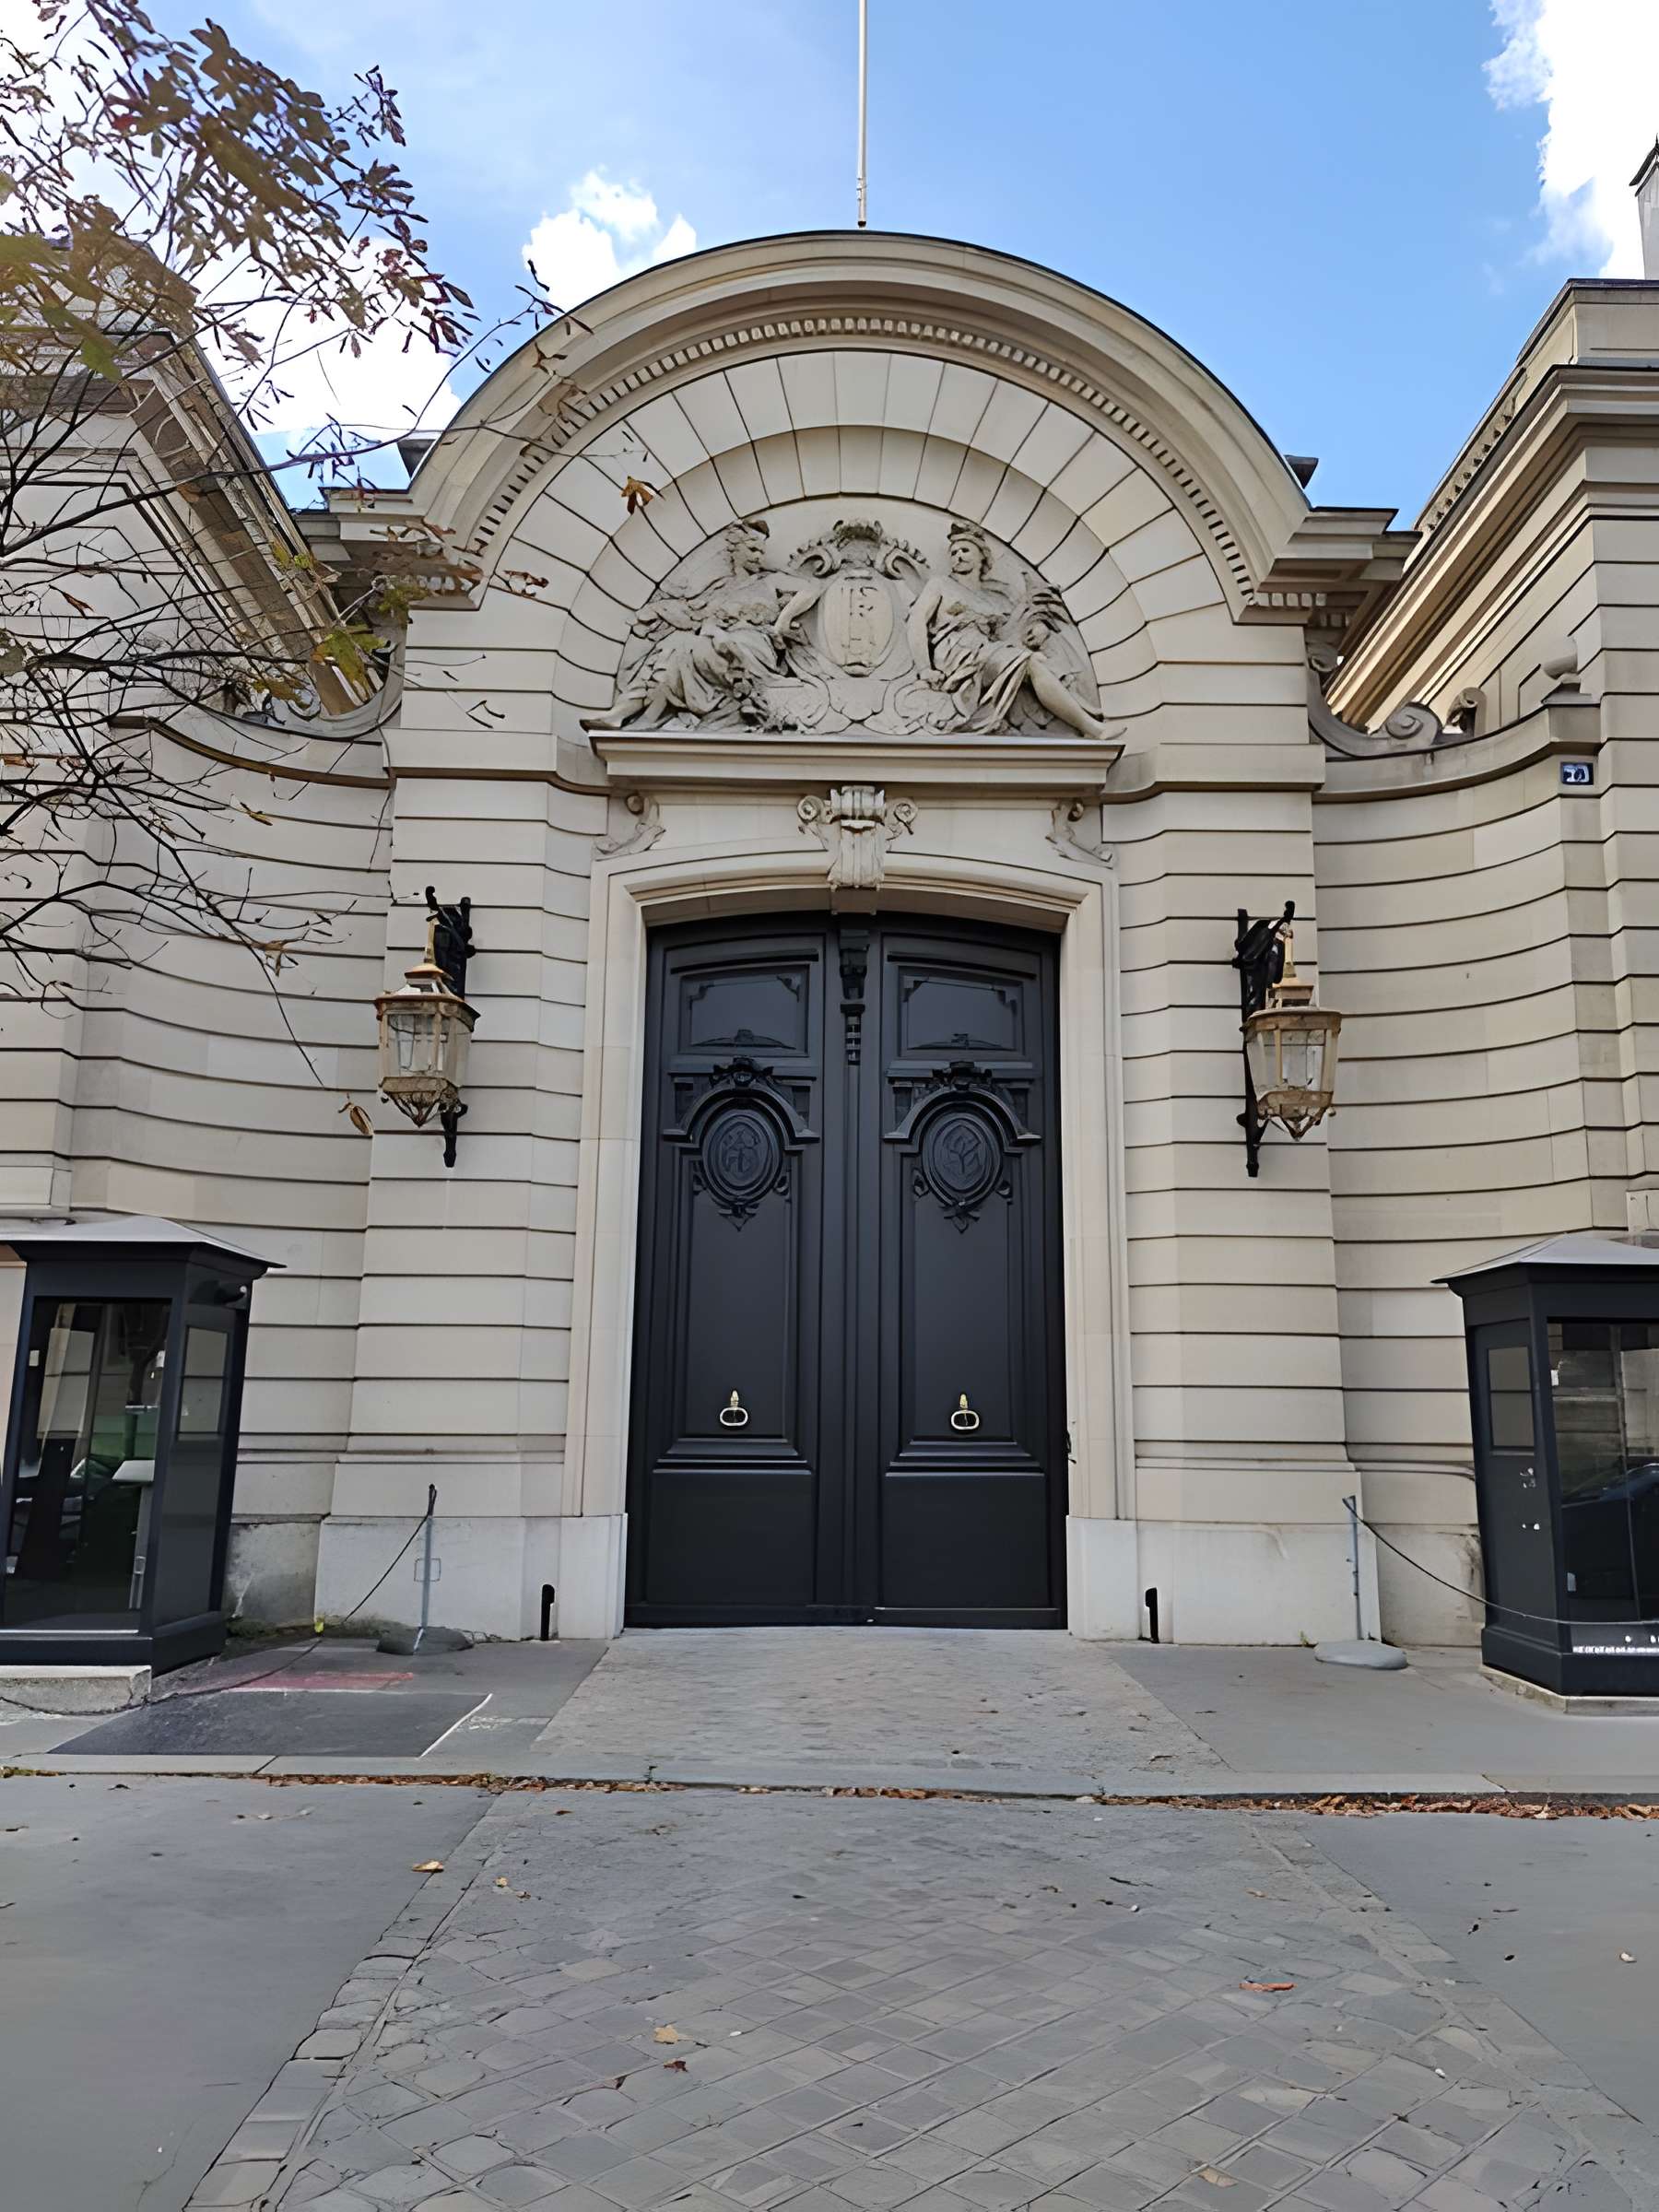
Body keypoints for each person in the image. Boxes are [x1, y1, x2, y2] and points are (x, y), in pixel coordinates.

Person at [906, 520, 1115, 740]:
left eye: (965, 550)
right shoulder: (940, 585)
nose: (958, 555)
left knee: (1041, 660)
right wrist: (924, 668)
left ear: (981, 557)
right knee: (1030, 662)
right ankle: (1092, 727)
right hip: (957, 655)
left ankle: (1078, 718)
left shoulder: (996, 597)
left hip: (989, 654)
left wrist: (1039, 629)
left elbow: (1010, 633)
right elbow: (917, 621)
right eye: (954, 552)